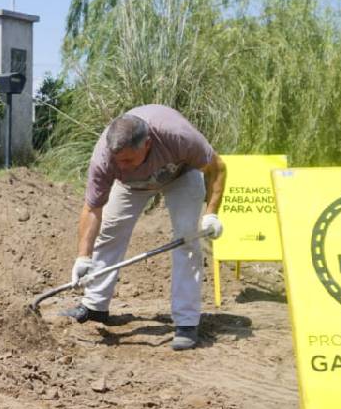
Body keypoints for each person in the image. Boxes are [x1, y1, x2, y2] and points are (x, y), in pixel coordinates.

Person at [63, 105, 227, 351]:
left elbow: (218, 168)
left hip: (181, 175)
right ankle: (95, 306)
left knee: (187, 239)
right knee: (110, 230)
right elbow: (92, 208)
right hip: (132, 186)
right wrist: (83, 257)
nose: (124, 165)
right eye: (119, 161)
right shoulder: (105, 157)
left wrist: (211, 213)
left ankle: (186, 322)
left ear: (147, 144)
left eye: (129, 159)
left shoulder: (178, 136)